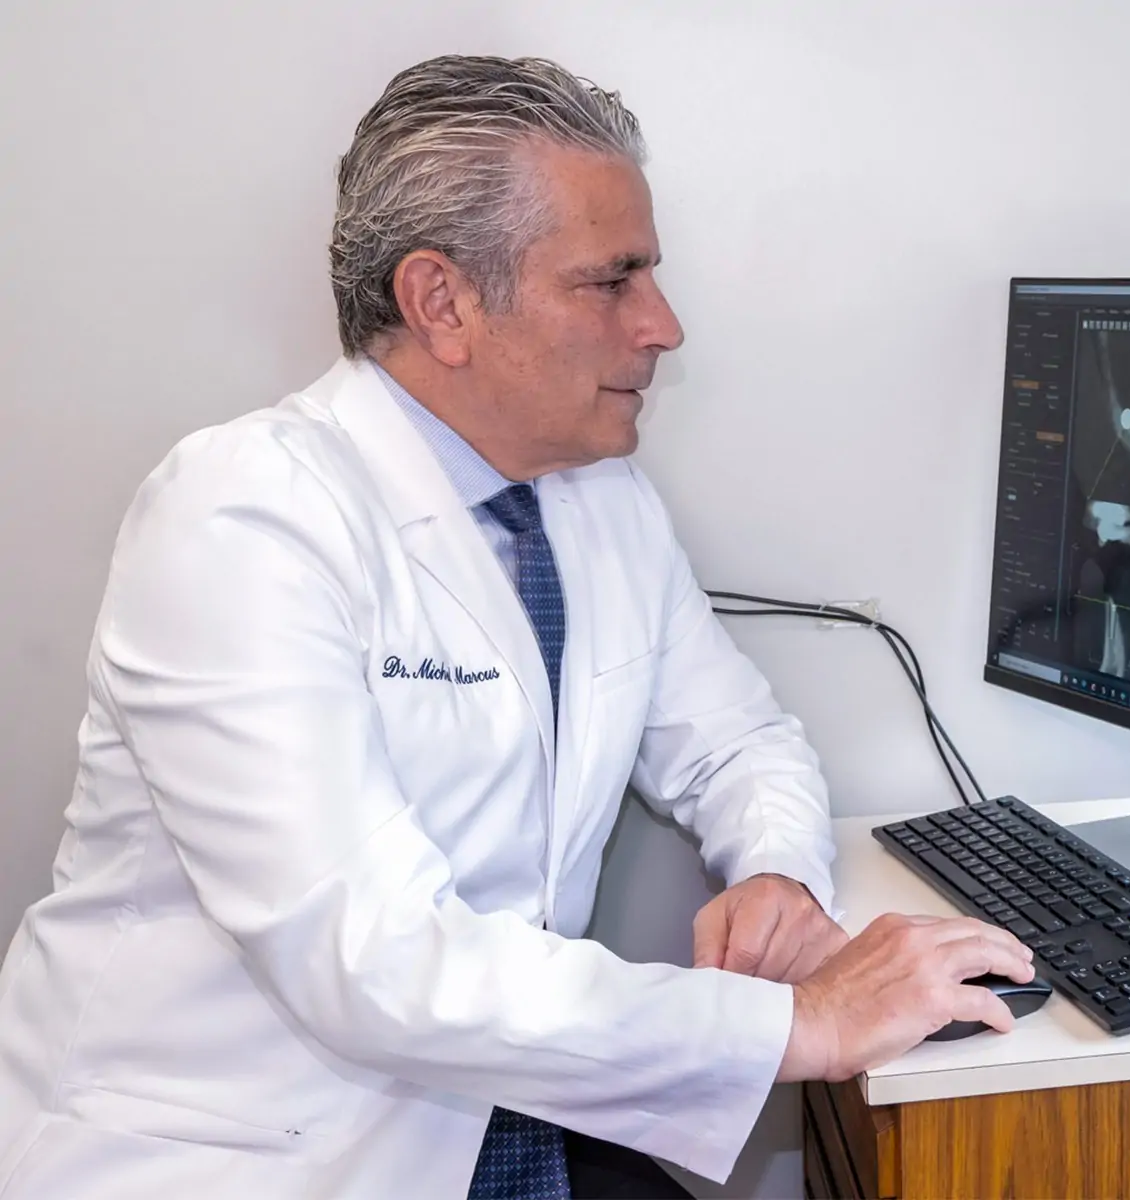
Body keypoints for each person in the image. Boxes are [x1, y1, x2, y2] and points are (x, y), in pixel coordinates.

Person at [0, 54, 1033, 1200]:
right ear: (442, 303)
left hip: (503, 1116)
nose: (663, 326)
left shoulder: (599, 498)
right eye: (611, 281)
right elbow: (368, 957)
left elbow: (738, 742)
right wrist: (802, 1024)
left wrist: (778, 873)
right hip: (249, 1158)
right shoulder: (243, 519)